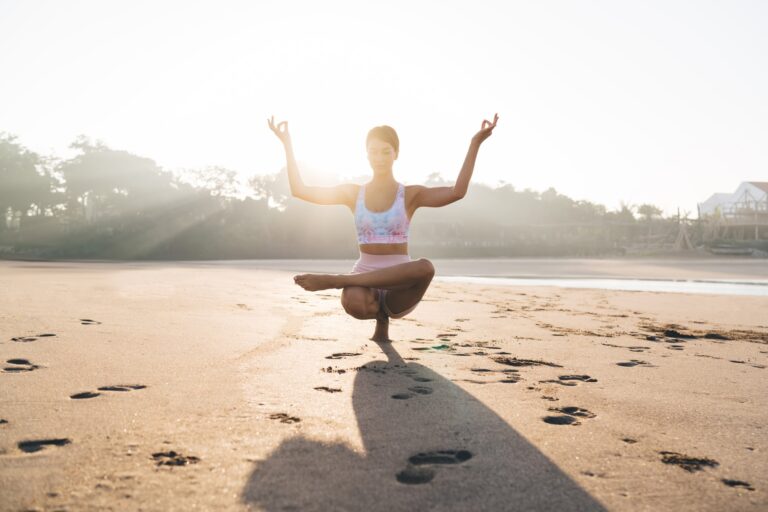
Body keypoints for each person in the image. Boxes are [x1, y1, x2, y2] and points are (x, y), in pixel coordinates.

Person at [267, 114, 499, 342]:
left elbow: (456, 192)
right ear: (366, 154)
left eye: (386, 151)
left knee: (425, 268)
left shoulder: (410, 195)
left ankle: (337, 280)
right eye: (374, 151)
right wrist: (287, 144)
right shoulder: (352, 193)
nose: (379, 157)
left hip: (401, 287)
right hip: (363, 282)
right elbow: (300, 190)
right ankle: (373, 313)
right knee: (353, 301)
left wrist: (475, 143)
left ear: (396, 153)